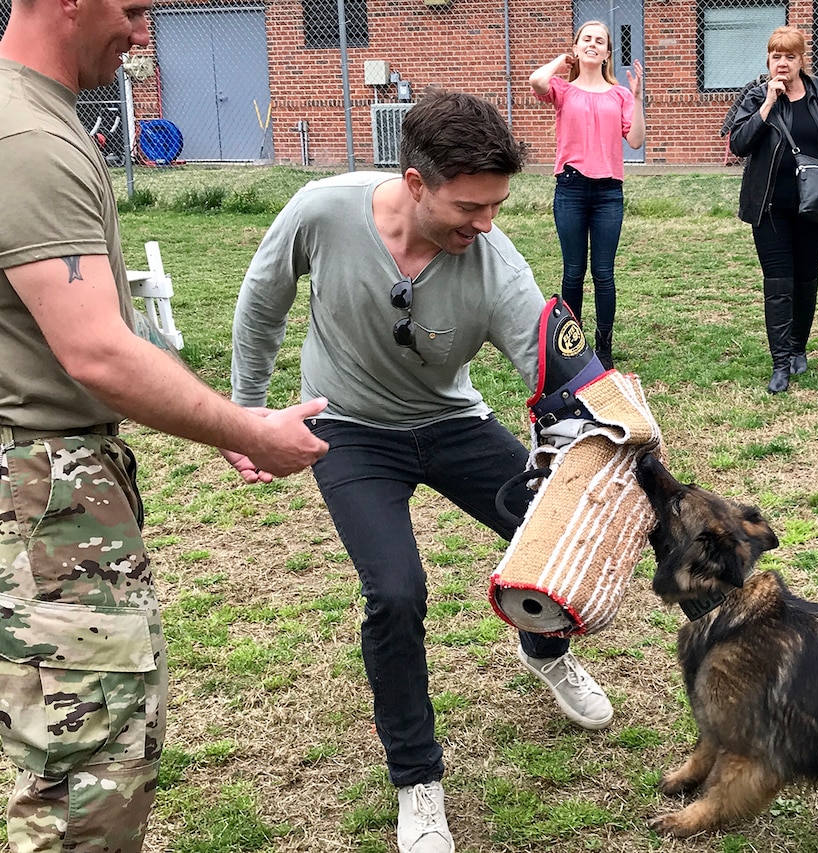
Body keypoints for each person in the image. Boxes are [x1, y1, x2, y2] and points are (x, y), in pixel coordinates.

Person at [228, 89, 615, 853]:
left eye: (497, 204)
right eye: (471, 206)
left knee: (553, 530)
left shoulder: (495, 262)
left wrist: (616, 438)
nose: (487, 223)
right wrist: (247, 414)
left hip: (451, 421)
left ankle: (544, 649)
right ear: (414, 182)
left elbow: (559, 370)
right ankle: (418, 783)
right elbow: (262, 304)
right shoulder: (322, 210)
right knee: (397, 592)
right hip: (351, 429)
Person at [0, 1, 329, 850]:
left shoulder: (35, 117)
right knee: (88, 786)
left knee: (89, 758)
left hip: (57, 479)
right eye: (133, 8)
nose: (144, 33)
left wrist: (209, 417)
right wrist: (251, 430)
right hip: (46, 496)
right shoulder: (28, 140)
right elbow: (96, 351)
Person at [728, 25, 818, 394]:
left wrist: (813, 166)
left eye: (790, 56)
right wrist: (769, 103)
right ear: (768, 59)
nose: (782, 63)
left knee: (805, 278)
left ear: (803, 59)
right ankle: (780, 362)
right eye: (776, 56)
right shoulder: (755, 96)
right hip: (769, 205)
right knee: (778, 283)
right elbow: (739, 143)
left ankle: (800, 348)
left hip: (814, 203)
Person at [530, 21, 645, 370]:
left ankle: (604, 348)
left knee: (604, 274)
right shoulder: (563, 90)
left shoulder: (619, 95)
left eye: (600, 41)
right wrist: (560, 61)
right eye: (587, 40)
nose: (593, 44)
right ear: (577, 48)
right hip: (571, 189)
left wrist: (637, 99)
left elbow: (636, 140)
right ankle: (574, 347)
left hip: (609, 192)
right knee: (573, 272)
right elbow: (537, 81)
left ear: (608, 53)